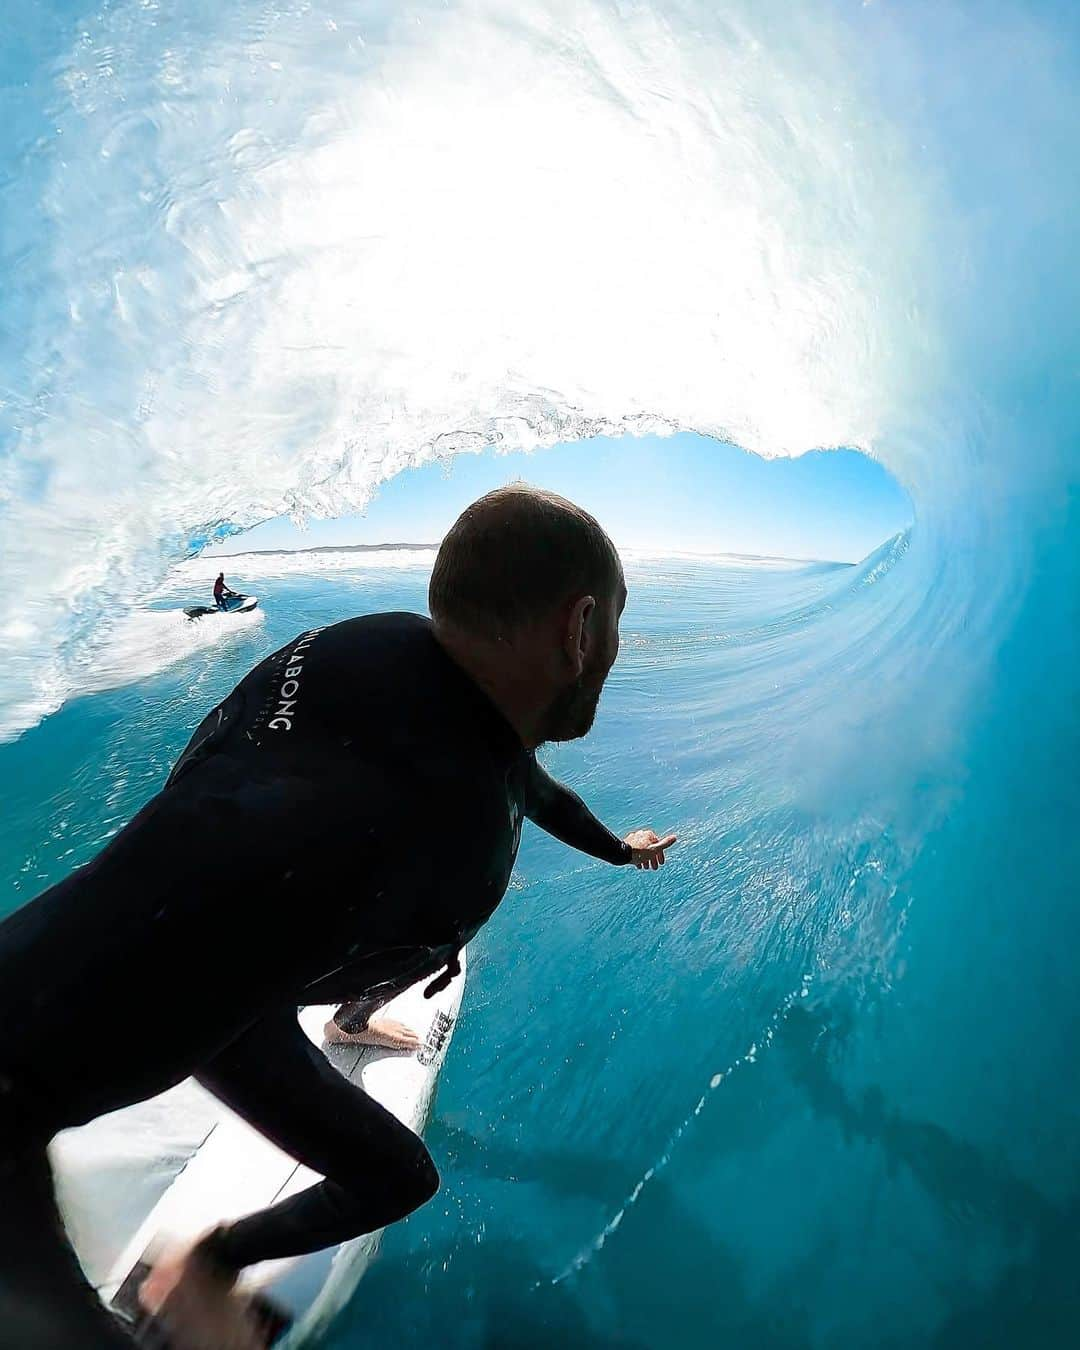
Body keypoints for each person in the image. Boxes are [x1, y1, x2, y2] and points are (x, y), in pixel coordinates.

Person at [0, 485, 676, 1350]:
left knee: (393, 1163)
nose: (613, 655)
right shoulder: (398, 819)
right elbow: (221, 884)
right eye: (616, 628)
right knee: (395, 1176)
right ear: (580, 630)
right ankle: (199, 1269)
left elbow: (531, 787)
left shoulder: (381, 650)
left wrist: (622, 849)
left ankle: (221, 1237)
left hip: (226, 977)